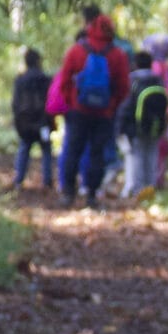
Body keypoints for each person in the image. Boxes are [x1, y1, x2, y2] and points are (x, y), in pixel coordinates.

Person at [56, 13, 130, 208]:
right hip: (104, 114)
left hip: (78, 111)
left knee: (73, 151)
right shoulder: (117, 55)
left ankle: (69, 194)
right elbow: (123, 86)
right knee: (97, 154)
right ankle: (91, 196)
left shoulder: (77, 51)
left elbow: (64, 80)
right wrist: (112, 105)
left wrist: (70, 102)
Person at [116, 51, 165, 198]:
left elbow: (126, 106)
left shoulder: (132, 81)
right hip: (156, 127)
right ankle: (151, 188)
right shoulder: (158, 80)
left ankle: (138, 191)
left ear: (135, 64)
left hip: (136, 127)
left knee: (137, 158)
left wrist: (120, 128)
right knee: (152, 157)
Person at [11, 48, 54, 191]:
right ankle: (47, 181)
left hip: (26, 122)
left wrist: (18, 119)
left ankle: (19, 179)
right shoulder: (45, 79)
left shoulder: (20, 80)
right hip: (43, 122)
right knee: (46, 150)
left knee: (24, 147)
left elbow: (15, 103)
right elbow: (51, 101)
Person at [142, 32, 168, 187]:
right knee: (160, 145)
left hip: (156, 112)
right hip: (162, 111)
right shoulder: (162, 67)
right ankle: (156, 179)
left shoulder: (157, 67)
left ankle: (154, 180)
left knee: (157, 145)